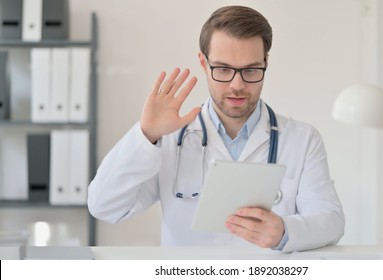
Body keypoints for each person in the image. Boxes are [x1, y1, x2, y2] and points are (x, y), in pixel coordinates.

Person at [88, 5, 344, 253]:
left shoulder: (302, 139)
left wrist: (285, 231)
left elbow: (331, 221)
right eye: (223, 69)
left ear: (265, 62)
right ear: (203, 62)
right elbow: (103, 206)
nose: (237, 85)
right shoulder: (170, 138)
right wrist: (146, 134)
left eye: (251, 70)